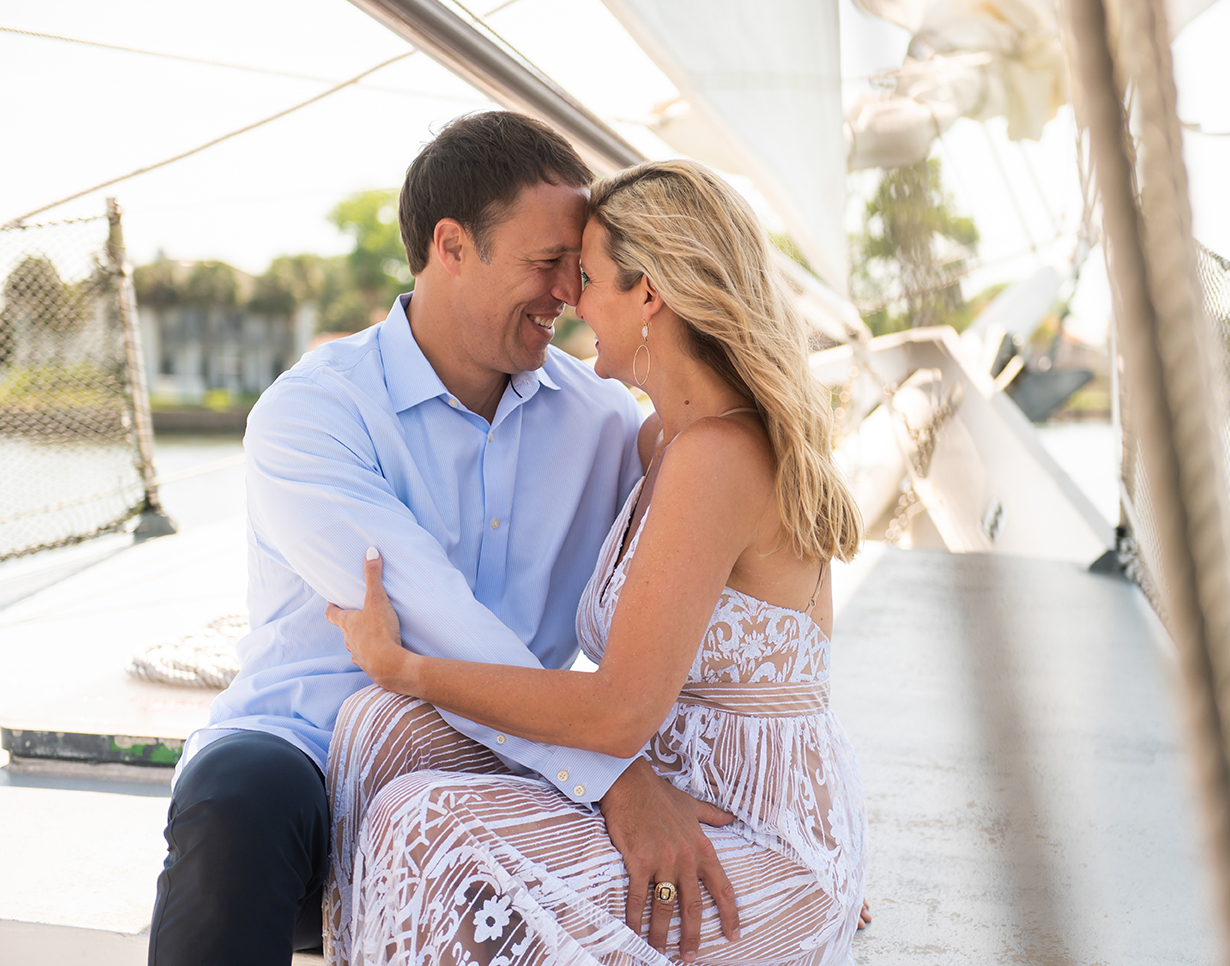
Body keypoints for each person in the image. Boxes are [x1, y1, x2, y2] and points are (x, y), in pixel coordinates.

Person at [148, 113, 741, 966]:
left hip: (501, 777)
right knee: (235, 795)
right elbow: (428, 616)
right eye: (547, 263)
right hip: (310, 764)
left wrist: (775, 842)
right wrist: (618, 776)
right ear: (452, 246)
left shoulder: (605, 421)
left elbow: (702, 583)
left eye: (579, 270)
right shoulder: (312, 414)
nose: (570, 294)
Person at [324, 159, 868, 966]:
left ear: (649, 296)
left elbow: (618, 712)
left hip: (755, 829)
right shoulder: (659, 441)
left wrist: (406, 666)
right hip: (669, 781)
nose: (571, 302)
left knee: (426, 821)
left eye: (587, 278)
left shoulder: (719, 455)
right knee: (380, 729)